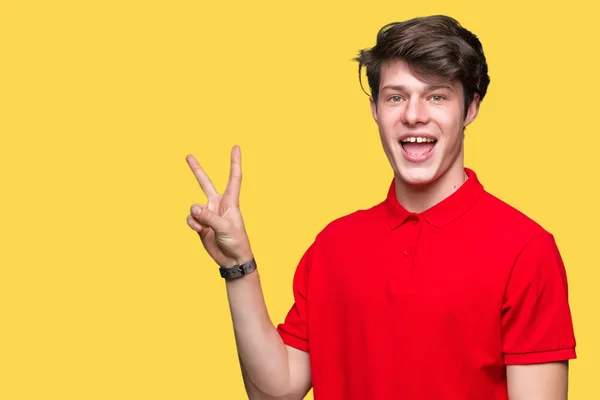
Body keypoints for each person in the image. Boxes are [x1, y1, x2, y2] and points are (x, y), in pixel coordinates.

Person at [185, 15, 577, 400]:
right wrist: (238, 266)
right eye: (396, 97)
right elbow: (276, 391)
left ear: (470, 109)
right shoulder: (333, 245)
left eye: (437, 96)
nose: (413, 115)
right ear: (375, 109)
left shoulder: (526, 248)